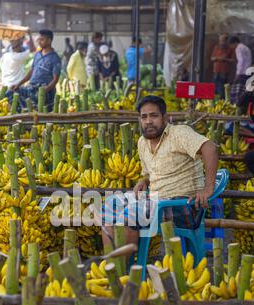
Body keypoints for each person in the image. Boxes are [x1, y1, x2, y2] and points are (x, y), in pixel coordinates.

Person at [101, 95, 218, 252]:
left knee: (132, 213)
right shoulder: (142, 143)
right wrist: (144, 181)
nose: (148, 121)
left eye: (154, 115)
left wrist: (208, 189)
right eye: (144, 117)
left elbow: (210, 148)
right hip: (156, 202)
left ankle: (123, 273)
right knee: (109, 206)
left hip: (183, 206)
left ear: (165, 117)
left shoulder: (179, 133)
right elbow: (152, 172)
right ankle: (113, 267)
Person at [10, 29, 61, 111]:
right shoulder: (37, 54)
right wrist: (18, 84)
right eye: (39, 39)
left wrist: (45, 90)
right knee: (10, 93)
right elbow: (31, 71)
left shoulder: (55, 58)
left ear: (49, 40)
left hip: (43, 90)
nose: (39, 42)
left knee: (36, 108)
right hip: (32, 88)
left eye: (42, 39)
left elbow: (55, 80)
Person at [228, 36, 252, 104]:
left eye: (231, 45)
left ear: (234, 43)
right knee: (245, 91)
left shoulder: (238, 48)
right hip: (247, 72)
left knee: (239, 91)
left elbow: (241, 61)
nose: (231, 47)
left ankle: (237, 104)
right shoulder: (245, 47)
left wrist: (237, 73)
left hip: (242, 73)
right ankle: (244, 104)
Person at [211, 34, 235, 98]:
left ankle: (221, 102)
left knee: (221, 88)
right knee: (214, 87)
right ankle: (214, 103)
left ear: (226, 41)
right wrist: (218, 58)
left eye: (223, 40)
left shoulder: (230, 49)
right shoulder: (216, 47)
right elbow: (212, 58)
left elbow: (233, 60)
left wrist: (225, 59)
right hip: (215, 71)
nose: (221, 42)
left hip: (224, 72)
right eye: (220, 40)